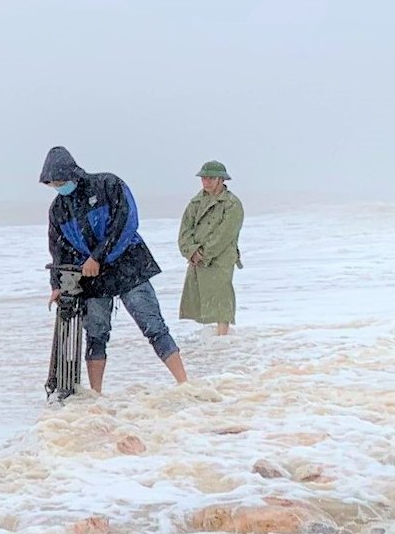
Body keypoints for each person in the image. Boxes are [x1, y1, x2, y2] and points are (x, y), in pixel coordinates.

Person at [40, 146, 186, 394]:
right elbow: (58, 248)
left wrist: (98, 257)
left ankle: (185, 384)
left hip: (129, 267)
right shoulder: (58, 210)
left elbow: (127, 220)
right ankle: (96, 394)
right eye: (54, 184)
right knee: (96, 336)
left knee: (154, 327)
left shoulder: (108, 184)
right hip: (93, 278)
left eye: (62, 181)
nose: (59, 186)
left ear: (74, 174)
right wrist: (56, 284)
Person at [178, 160, 244, 336]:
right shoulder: (195, 203)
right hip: (197, 257)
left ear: (221, 180)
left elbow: (225, 234)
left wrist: (204, 254)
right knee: (200, 300)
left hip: (221, 258)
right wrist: (191, 251)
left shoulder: (232, 204)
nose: (206, 182)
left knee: (221, 298)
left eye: (210, 178)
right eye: (204, 178)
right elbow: (184, 230)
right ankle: (208, 342)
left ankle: (223, 339)